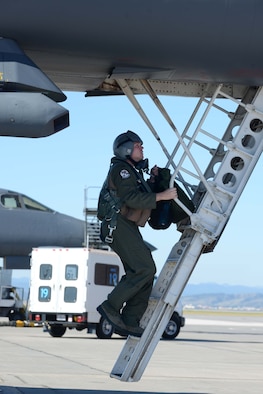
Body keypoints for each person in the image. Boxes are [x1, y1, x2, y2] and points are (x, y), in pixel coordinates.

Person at [97, 130, 178, 337]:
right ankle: (111, 306)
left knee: (145, 271)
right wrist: (162, 195)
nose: (141, 148)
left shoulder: (132, 172)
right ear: (126, 149)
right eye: (137, 145)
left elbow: (138, 194)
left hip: (125, 225)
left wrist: (152, 182)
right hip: (118, 224)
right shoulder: (122, 170)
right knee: (144, 269)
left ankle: (130, 320)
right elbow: (131, 199)